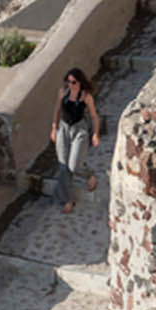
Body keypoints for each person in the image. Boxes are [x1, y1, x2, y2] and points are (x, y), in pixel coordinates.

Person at [51, 67, 100, 213]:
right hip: (63, 129)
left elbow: (94, 117)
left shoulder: (86, 96)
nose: (70, 85)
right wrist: (54, 128)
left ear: (80, 82)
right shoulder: (63, 93)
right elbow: (57, 111)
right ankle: (68, 201)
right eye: (68, 82)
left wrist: (95, 134)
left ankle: (89, 175)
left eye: (73, 82)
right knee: (63, 166)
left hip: (80, 130)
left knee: (74, 165)